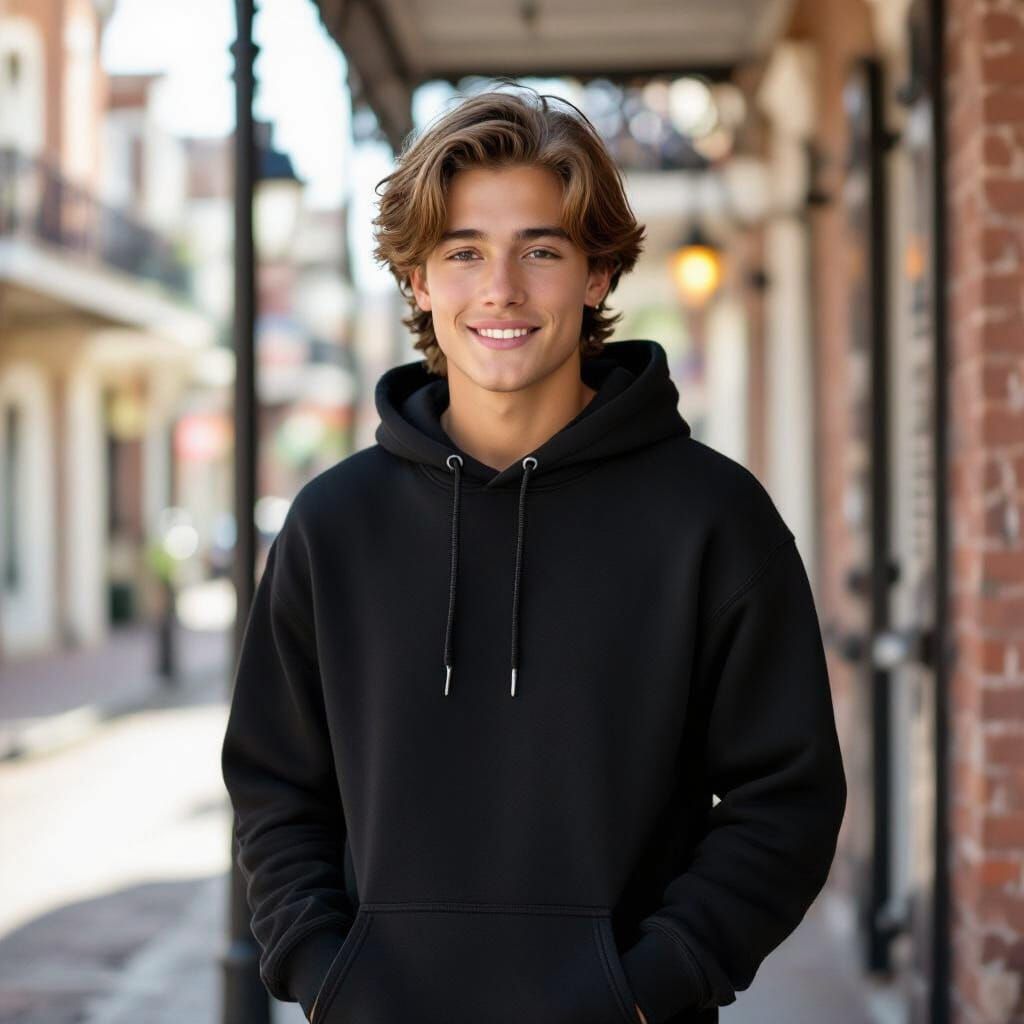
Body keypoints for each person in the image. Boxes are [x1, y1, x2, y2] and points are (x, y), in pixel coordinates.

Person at [220, 82, 847, 1024]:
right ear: (419, 282)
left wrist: (648, 989)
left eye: (540, 251)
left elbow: (786, 798)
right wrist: (326, 975)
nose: (501, 290)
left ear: (597, 274)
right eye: (464, 252)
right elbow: (276, 789)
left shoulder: (713, 519)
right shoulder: (331, 525)